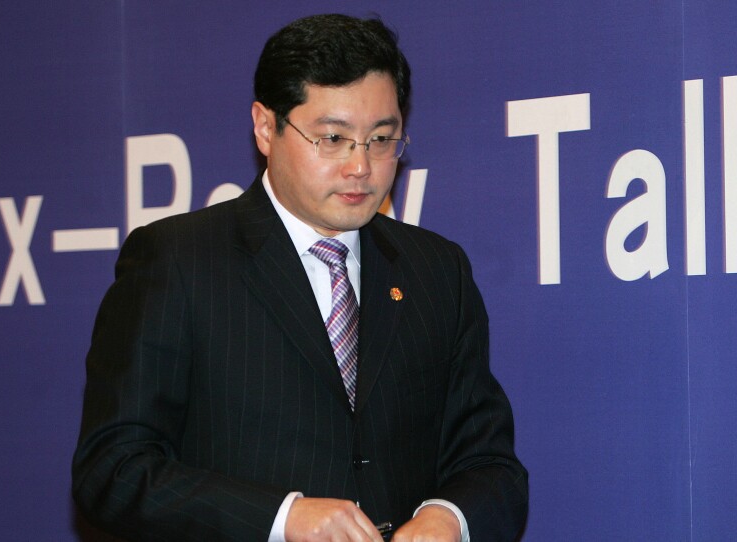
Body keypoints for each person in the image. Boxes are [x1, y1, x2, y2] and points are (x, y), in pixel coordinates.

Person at [72, 13, 528, 542]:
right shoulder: (178, 261)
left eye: (382, 139)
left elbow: (492, 465)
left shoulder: (436, 271)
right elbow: (113, 470)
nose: (361, 166)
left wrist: (448, 517)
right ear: (267, 128)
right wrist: (281, 519)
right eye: (333, 138)